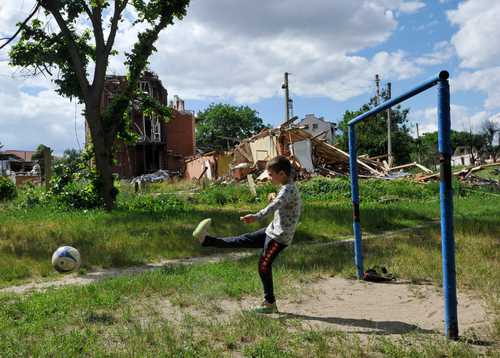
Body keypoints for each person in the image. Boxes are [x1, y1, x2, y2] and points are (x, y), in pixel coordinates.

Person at [192, 156, 301, 313]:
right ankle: (206, 240)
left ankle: (270, 303)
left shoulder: (288, 189)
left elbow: (274, 205)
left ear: (282, 173)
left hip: (279, 237)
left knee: (264, 266)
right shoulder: (287, 187)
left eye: (271, 174)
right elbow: (281, 203)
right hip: (271, 231)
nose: (268, 178)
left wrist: (255, 216)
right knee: (241, 240)